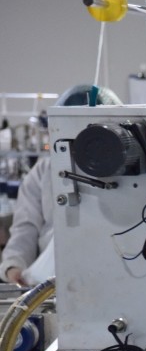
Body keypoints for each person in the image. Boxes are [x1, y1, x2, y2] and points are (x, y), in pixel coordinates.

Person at [1, 84, 121, 285]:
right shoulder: (44, 170)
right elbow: (26, 227)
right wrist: (15, 265)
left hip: (114, 274)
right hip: (53, 280)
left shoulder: (130, 174)